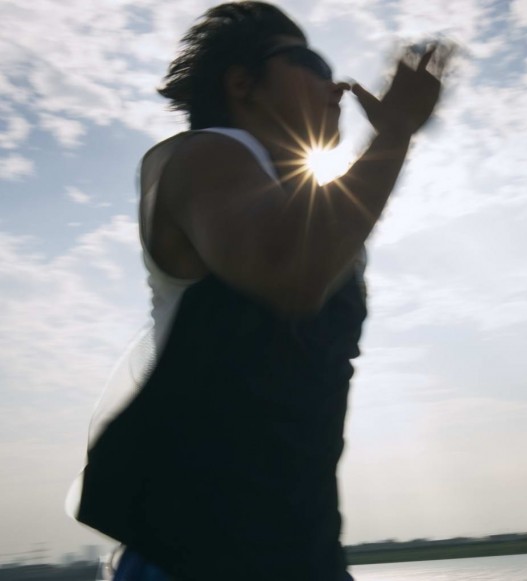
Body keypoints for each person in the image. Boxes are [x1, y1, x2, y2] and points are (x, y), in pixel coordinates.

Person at [69, 2, 449, 580]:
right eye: (310, 61)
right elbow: (288, 272)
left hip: (300, 551)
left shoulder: (311, 203)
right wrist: (395, 131)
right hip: (192, 553)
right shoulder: (202, 153)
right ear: (242, 82)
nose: (339, 84)